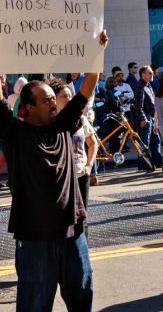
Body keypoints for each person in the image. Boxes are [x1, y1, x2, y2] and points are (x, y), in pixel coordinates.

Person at [0, 30, 107, 311]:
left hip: (73, 234)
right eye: (46, 99)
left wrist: (97, 52)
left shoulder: (63, 124)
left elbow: (86, 89)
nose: (54, 101)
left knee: (81, 300)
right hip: (34, 239)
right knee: (35, 306)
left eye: (54, 97)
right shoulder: (13, 133)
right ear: (28, 107)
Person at [50, 78, 98, 235]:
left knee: (82, 216)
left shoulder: (81, 120)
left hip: (80, 173)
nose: (68, 99)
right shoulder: (50, 123)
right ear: (54, 99)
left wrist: (89, 165)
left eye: (70, 95)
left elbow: (93, 144)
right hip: (62, 178)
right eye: (64, 96)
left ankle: (82, 246)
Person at [134, 65, 162, 170]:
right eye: (149, 73)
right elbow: (138, 105)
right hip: (145, 117)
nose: (152, 74)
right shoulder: (139, 86)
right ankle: (144, 164)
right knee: (144, 143)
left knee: (156, 140)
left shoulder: (148, 85)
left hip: (152, 116)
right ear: (143, 75)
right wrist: (142, 118)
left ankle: (158, 162)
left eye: (152, 72)